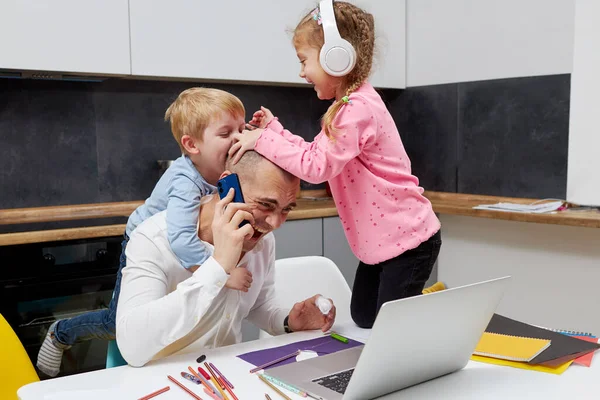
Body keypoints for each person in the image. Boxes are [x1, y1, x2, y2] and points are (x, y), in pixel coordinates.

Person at [229, 1, 442, 329]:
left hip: (409, 243)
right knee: (365, 317)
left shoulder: (357, 109)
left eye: (304, 61)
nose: (301, 72)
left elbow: (316, 167)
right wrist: (275, 131)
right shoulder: (347, 107)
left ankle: (431, 325)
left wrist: (262, 140)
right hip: (384, 245)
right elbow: (314, 152)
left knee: (390, 329)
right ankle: (416, 318)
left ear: (336, 57)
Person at [37, 88, 252, 377]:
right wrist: (224, 273)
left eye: (243, 128)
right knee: (117, 322)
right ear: (191, 144)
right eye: (226, 133)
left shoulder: (219, 171)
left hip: (181, 252)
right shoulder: (186, 181)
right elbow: (182, 241)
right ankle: (60, 333)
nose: (239, 138)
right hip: (145, 243)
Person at [116, 151, 336, 366]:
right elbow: (132, 347)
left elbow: (260, 305)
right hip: (164, 380)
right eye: (266, 205)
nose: (275, 223)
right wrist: (218, 266)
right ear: (228, 186)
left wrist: (290, 322)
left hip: (229, 376)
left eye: (285, 209)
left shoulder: (262, 240)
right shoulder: (153, 238)